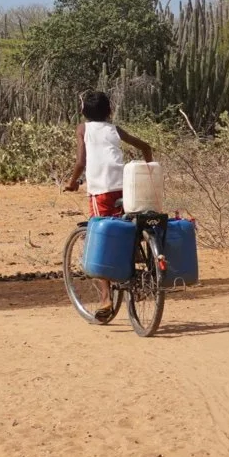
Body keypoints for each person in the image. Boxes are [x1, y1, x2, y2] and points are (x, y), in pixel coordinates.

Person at [63, 90, 155, 322]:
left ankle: (105, 298)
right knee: (128, 229)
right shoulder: (114, 129)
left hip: (101, 191)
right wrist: (149, 172)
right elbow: (145, 147)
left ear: (83, 112)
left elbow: (81, 162)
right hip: (126, 188)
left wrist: (72, 182)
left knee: (99, 239)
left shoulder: (83, 129)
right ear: (109, 111)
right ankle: (139, 275)